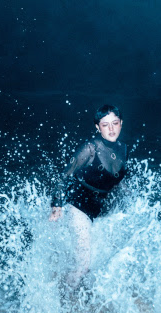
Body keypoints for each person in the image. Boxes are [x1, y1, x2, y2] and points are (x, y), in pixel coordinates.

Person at [49, 104, 128, 289]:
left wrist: (130, 198)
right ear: (97, 127)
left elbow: (118, 177)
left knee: (100, 264)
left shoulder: (124, 149)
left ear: (121, 123)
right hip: (79, 207)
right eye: (105, 124)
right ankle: (63, 299)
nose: (111, 129)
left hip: (102, 212)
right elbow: (64, 175)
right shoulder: (90, 148)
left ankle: (83, 297)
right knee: (83, 266)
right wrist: (56, 206)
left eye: (115, 123)